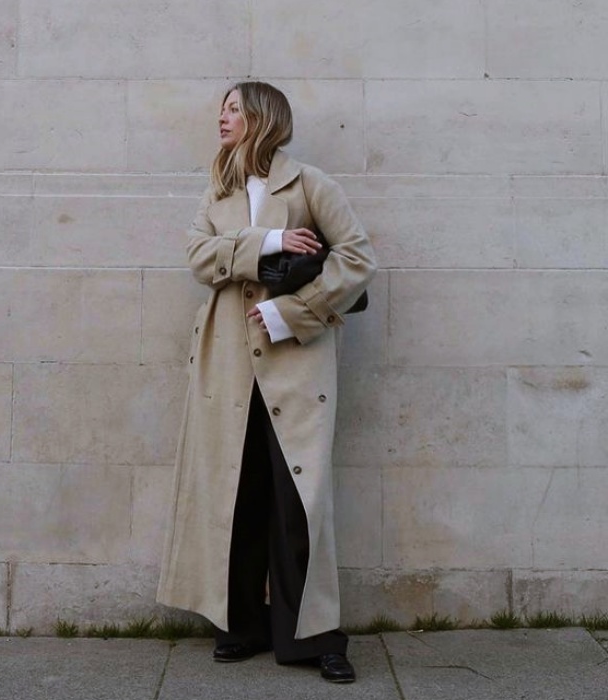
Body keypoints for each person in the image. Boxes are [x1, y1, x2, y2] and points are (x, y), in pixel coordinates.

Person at [157, 81, 376, 683]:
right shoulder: (219, 190)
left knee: (298, 503)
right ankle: (241, 627)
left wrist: (291, 314)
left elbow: (356, 260)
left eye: (234, 109)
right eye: (221, 109)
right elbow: (197, 256)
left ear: (262, 118)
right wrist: (269, 242)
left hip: (294, 364)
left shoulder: (309, 183)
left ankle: (314, 636)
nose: (222, 118)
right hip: (226, 365)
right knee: (235, 493)